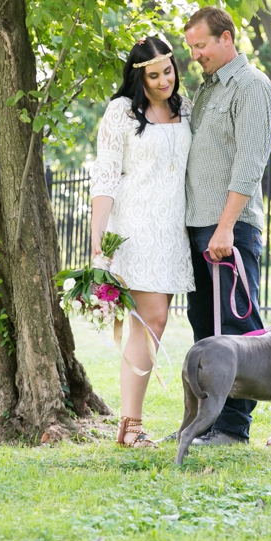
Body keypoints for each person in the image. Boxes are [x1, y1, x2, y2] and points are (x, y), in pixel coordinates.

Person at [89, 37, 194, 447]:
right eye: (154, 75)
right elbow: (106, 176)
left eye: (168, 71)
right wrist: (99, 240)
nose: (164, 80)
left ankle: (129, 425)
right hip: (134, 226)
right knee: (151, 321)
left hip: (171, 229)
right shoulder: (120, 112)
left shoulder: (185, 109)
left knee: (152, 322)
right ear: (139, 76)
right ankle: (131, 425)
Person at [183, 6, 271, 447]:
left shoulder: (251, 86)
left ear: (226, 38)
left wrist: (225, 227)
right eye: (192, 48)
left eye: (201, 45)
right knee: (205, 332)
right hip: (199, 228)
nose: (196, 54)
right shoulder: (207, 91)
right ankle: (208, 423)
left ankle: (234, 428)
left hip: (229, 231)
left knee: (236, 334)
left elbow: (249, 162)